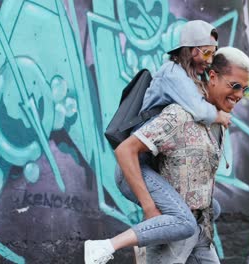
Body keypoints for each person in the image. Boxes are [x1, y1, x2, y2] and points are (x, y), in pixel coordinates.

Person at [84, 20, 231, 263]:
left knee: (208, 208)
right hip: (136, 167)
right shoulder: (172, 73)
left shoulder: (189, 77)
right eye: (206, 52)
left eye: (212, 53)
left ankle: (160, 243)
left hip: (152, 167)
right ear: (190, 49)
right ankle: (104, 247)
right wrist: (149, 207)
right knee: (183, 220)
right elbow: (199, 110)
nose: (209, 58)